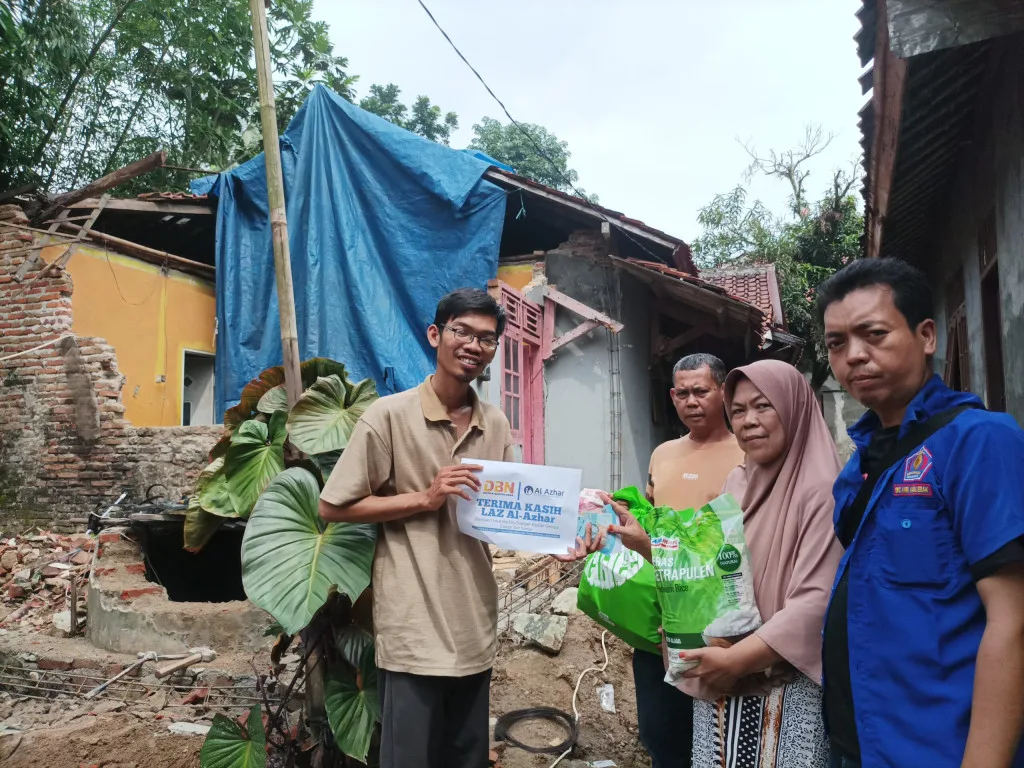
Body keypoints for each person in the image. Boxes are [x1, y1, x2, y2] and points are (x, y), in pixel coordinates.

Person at [817, 258, 1024, 768]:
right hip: (861, 742)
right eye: (837, 343)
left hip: (940, 748)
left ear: (926, 336)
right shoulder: (860, 465)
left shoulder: (979, 442)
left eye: (874, 334)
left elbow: (1014, 621)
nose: (854, 355)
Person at [610, 360, 842, 768]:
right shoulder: (738, 481)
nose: (749, 421)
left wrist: (737, 660)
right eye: (739, 410)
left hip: (784, 685)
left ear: (794, 407)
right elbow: (714, 566)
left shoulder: (822, 490)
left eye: (763, 406)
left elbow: (815, 603)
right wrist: (686, 621)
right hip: (722, 675)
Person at [317, 288, 512, 768]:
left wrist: (559, 535)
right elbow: (333, 506)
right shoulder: (388, 416)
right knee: (410, 759)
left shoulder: (496, 424)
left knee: (466, 758)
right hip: (413, 626)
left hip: (474, 620)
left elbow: (505, 515)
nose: (473, 345)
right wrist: (425, 499)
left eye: (487, 339)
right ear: (435, 335)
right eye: (462, 331)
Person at [637, 353, 746, 768]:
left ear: (723, 392)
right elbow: (651, 521)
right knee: (661, 731)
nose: (691, 401)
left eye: (701, 391)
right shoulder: (662, 454)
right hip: (663, 615)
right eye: (682, 393)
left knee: (720, 733)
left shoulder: (746, 450)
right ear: (672, 396)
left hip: (721, 619)